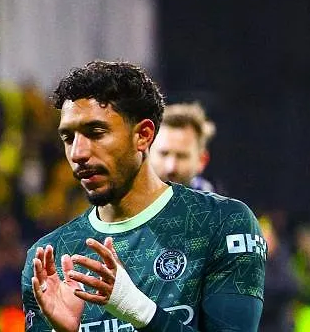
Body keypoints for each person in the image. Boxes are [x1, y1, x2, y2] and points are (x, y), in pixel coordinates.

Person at [23, 61, 265, 332]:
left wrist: (136, 308)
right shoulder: (50, 257)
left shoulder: (220, 224)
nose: (77, 153)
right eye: (68, 137)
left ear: (143, 135)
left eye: (96, 132)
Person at [150, 103, 217, 192]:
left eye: (181, 156)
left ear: (202, 160)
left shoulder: (213, 203)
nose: (171, 167)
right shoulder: (127, 197)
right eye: (164, 154)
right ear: (147, 153)